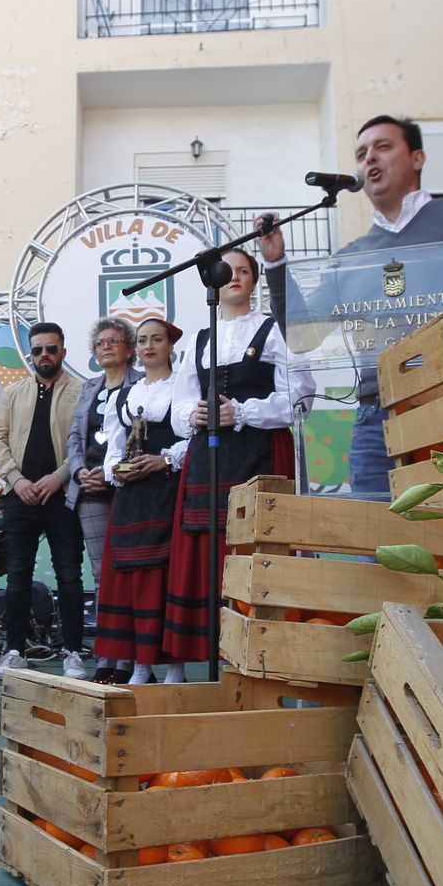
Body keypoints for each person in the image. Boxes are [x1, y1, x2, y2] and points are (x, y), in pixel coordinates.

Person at [262, 114, 443, 495]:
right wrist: (275, 264)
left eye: (383, 147)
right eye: (361, 154)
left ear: (417, 158)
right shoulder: (351, 260)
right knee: (379, 531)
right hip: (379, 422)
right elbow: (302, 336)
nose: (370, 158)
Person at [164, 251, 315, 675]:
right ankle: (206, 653)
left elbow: (301, 398)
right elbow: (179, 404)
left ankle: (259, 654)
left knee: (258, 544)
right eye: (227, 271)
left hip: (261, 453)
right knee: (206, 548)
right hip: (208, 458)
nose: (234, 277)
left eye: (244, 270)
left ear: (254, 281)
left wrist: (244, 411)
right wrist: (192, 414)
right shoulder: (199, 339)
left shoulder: (273, 329)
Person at [0, 322, 86, 681]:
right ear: (30, 354)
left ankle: (73, 652)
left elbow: (85, 441)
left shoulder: (83, 391)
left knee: (69, 576)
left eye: (51, 349)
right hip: (20, 496)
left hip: (64, 497)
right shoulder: (13, 393)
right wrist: (17, 480)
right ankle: (14, 651)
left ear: (63, 352)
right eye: (38, 350)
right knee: (17, 576)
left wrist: (59, 476)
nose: (44, 355)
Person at [94, 318, 188, 684]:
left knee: (167, 579)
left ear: (170, 346)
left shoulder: (183, 386)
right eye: (144, 340)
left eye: (157, 339)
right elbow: (113, 449)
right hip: (132, 497)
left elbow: (194, 439)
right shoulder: (124, 395)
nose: (149, 346)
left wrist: (164, 460)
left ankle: (175, 669)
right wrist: (117, 470)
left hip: (168, 493)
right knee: (131, 581)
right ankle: (140, 667)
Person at [65, 317, 140, 682]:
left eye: (114, 340)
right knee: (102, 575)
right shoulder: (89, 388)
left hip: (130, 490)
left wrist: (113, 472)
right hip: (90, 491)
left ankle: (129, 661)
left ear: (129, 348)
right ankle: (106, 656)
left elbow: (144, 437)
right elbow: (74, 438)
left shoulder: (143, 384)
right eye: (100, 343)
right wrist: (79, 471)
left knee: (129, 573)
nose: (106, 346)